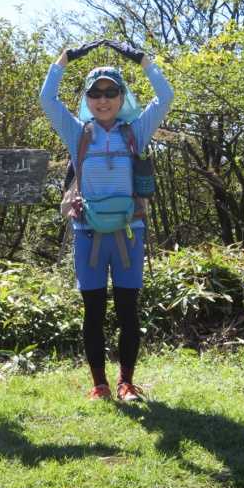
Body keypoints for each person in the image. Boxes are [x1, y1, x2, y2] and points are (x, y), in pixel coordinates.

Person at [39, 39, 174, 401]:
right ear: (86, 98)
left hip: (130, 232)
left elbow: (165, 97)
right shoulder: (78, 133)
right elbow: (47, 100)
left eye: (111, 92)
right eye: (95, 93)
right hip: (87, 232)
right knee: (94, 311)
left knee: (128, 310)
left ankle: (126, 383)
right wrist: (63, 60)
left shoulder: (135, 132)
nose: (103, 100)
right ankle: (99, 385)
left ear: (121, 96)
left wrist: (144, 61)